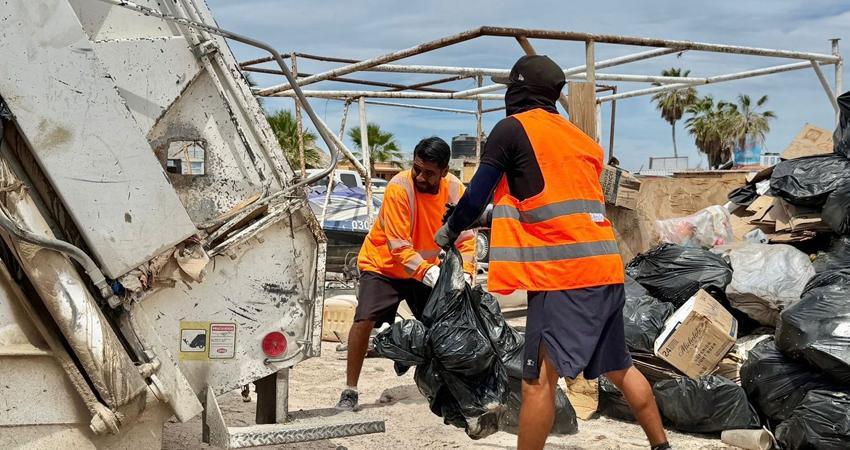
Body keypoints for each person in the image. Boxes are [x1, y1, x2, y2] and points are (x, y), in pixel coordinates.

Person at [436, 55, 670, 450]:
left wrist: (450, 228)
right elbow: (550, 201)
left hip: (563, 274)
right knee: (619, 366)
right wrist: (489, 218)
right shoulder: (580, 140)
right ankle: (662, 446)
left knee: (537, 379)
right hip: (605, 268)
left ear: (518, 90)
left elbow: (475, 194)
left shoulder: (511, 129)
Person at [336, 136, 476, 411]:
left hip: (424, 270)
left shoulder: (456, 190)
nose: (421, 177)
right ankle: (350, 390)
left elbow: (467, 239)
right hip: (384, 266)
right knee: (364, 319)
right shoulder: (399, 187)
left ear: (445, 171)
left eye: (429, 173)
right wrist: (429, 274)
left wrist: (467, 273)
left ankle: (444, 387)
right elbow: (399, 246)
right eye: (417, 168)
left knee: (442, 326)